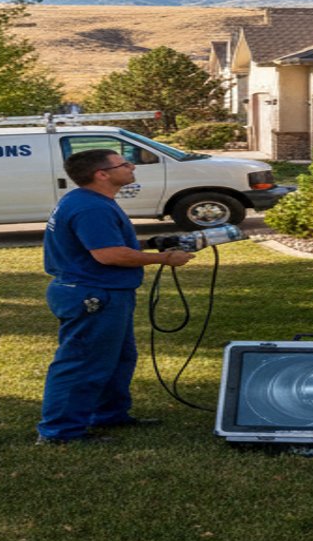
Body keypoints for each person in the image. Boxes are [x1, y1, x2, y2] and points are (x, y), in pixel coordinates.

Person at [37, 147, 195, 445]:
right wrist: (165, 259)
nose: (132, 166)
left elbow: (107, 242)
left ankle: (108, 414)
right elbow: (108, 254)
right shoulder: (92, 207)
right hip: (92, 294)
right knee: (82, 362)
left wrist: (154, 243)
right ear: (102, 174)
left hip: (103, 292)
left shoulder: (86, 200)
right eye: (124, 164)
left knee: (119, 358)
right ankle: (60, 432)